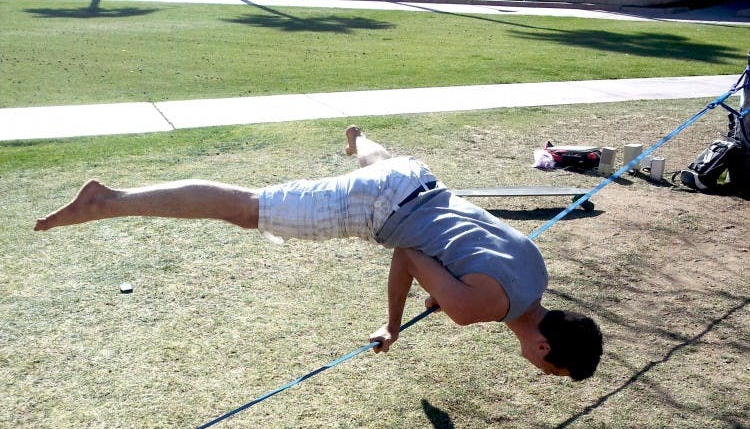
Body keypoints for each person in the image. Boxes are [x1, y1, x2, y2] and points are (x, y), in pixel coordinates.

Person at [35, 126, 602, 379]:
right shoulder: (476, 307)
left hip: (416, 178)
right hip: (378, 207)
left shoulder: (535, 270)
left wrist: (440, 288)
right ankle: (107, 201)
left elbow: (458, 246)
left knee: (377, 163)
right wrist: (395, 323)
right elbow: (408, 253)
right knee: (248, 208)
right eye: (550, 371)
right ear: (544, 347)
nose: (541, 371)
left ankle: (359, 139)